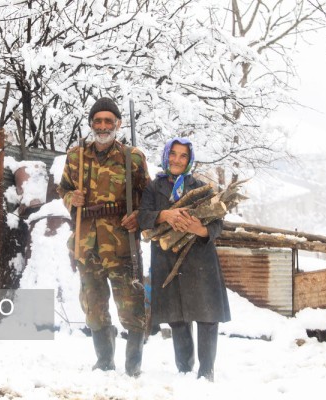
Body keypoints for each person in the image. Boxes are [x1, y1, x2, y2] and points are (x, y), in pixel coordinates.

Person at [57, 97, 150, 377]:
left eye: (109, 120)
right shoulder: (76, 156)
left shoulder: (132, 157)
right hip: (86, 244)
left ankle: (133, 366)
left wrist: (139, 217)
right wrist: (71, 197)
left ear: (118, 124)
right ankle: (104, 362)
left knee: (131, 306)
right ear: (90, 124)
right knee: (93, 305)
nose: (103, 126)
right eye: (98, 120)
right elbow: (62, 190)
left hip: (121, 244)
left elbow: (148, 197)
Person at [137, 137, 231, 382]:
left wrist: (201, 230)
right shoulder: (153, 188)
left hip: (200, 259)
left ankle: (206, 372)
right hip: (167, 258)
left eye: (183, 156)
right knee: (176, 316)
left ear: (189, 160)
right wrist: (165, 215)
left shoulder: (200, 187)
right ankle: (184, 369)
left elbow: (218, 223)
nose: (177, 160)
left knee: (207, 315)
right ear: (166, 155)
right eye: (173, 154)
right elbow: (143, 217)